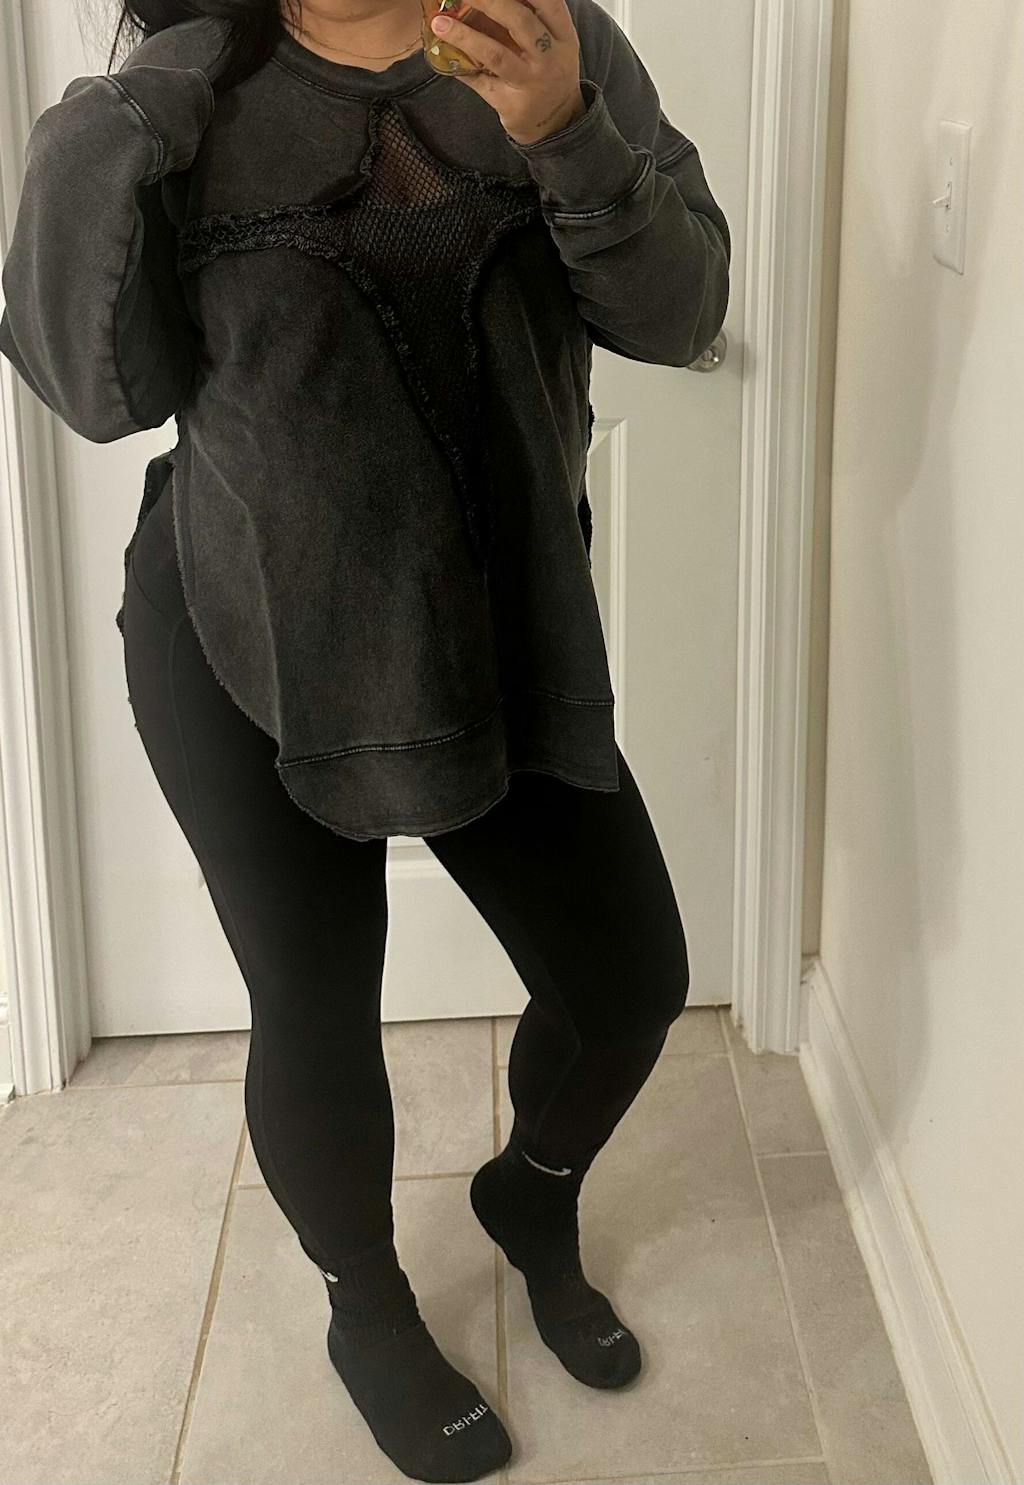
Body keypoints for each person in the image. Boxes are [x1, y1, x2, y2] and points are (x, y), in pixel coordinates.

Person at [0, 1, 730, 1479]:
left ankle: (531, 1191)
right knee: (317, 1004)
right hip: (242, 636)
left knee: (628, 979)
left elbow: (681, 314)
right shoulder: (186, 91)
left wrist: (564, 131)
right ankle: (368, 1306)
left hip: (496, 636)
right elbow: (96, 393)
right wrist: (117, 125)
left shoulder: (554, 40)